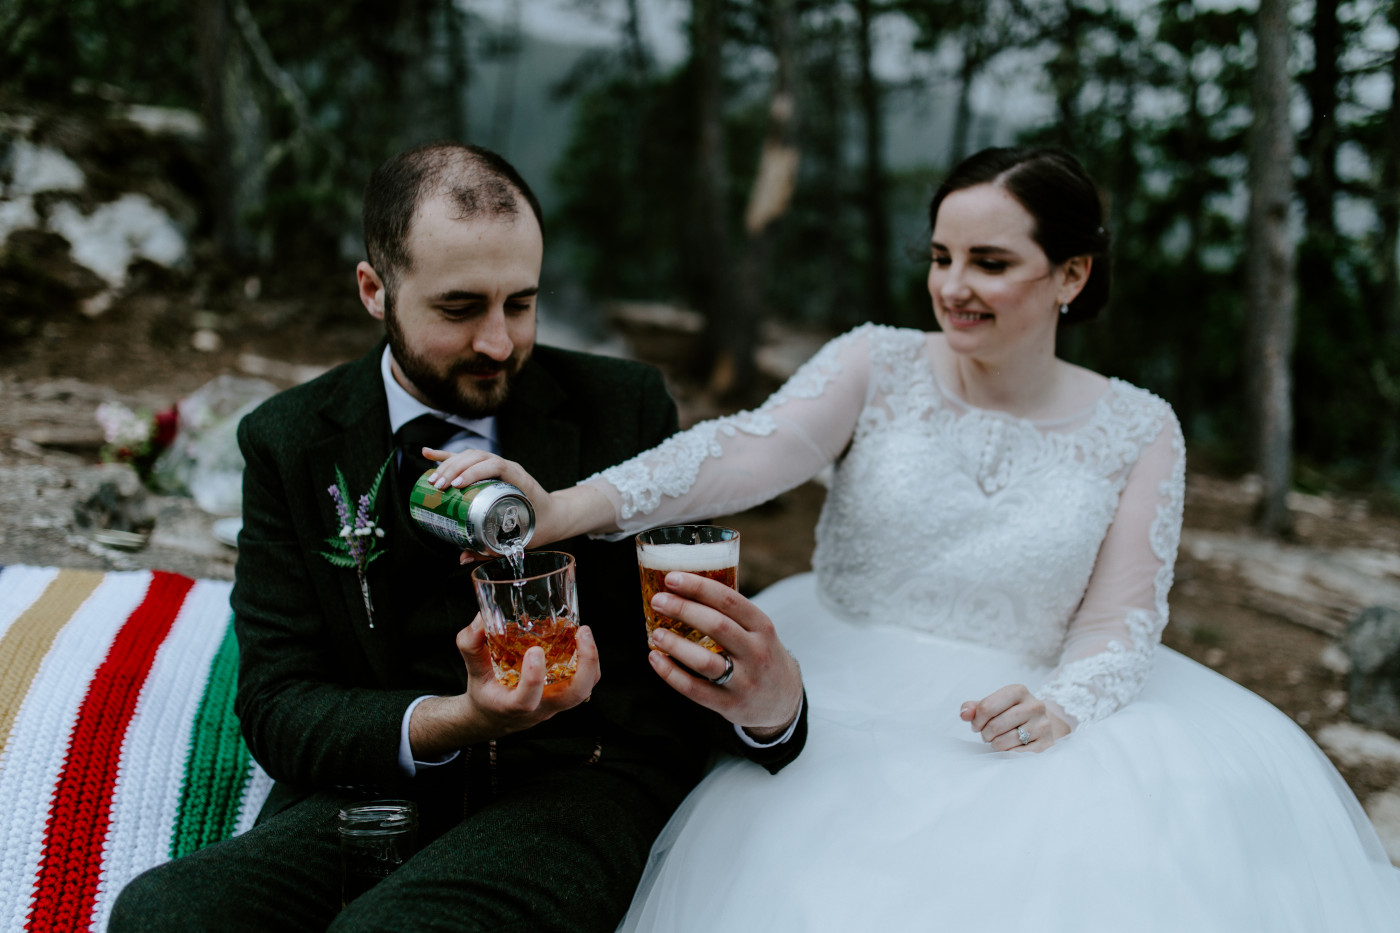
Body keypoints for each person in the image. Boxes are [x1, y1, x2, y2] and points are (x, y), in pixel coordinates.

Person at [428, 146, 1400, 931]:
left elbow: (1119, 619)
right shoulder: (874, 363)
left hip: (1018, 706)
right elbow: (738, 452)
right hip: (835, 686)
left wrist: (1063, 705)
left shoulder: (1140, 428)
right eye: (939, 257)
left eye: (988, 263)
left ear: (1069, 274)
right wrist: (561, 509)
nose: (952, 287)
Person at [109, 142, 806, 933]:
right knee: (162, 916)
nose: (500, 342)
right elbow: (278, 700)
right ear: (375, 290)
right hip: (371, 785)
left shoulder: (623, 406)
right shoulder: (291, 440)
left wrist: (772, 708)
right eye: (460, 307)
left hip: (575, 784)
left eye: (522, 303)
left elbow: (689, 659)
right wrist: (455, 719)